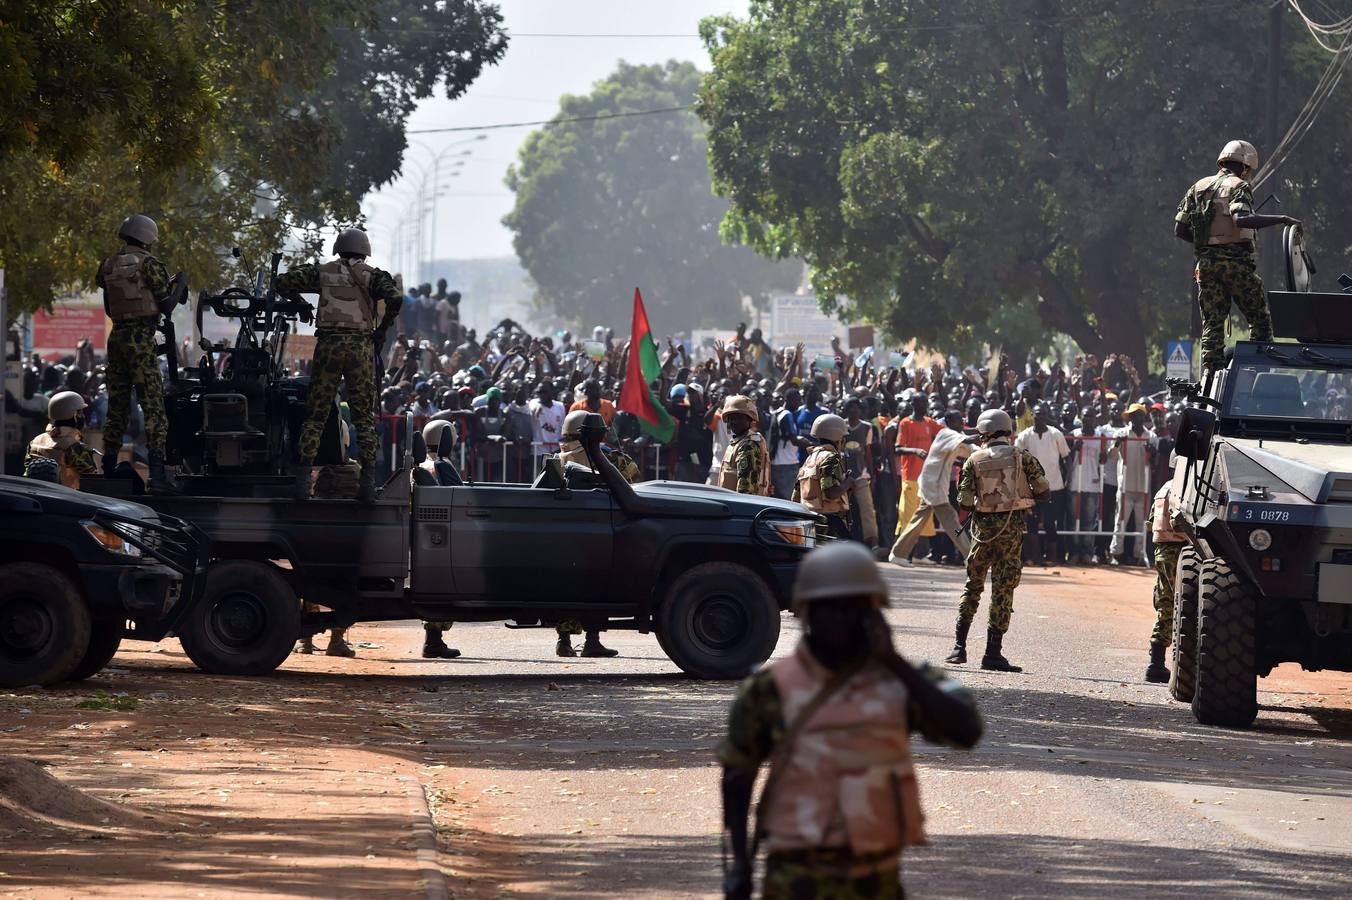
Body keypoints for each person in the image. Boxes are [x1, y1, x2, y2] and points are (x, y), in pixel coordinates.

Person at [718, 542, 983, 900]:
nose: (842, 618)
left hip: (877, 882)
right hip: (795, 881)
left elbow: (966, 730)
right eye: (831, 607)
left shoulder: (901, 683)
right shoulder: (771, 690)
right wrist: (740, 864)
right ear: (807, 612)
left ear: (874, 613)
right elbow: (737, 776)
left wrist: (896, 663)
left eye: (855, 607)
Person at [276, 228, 403, 503]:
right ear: (364, 251)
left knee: (316, 416)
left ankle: (301, 485)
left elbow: (282, 283)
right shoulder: (373, 276)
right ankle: (367, 487)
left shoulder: (323, 272)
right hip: (360, 348)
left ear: (339, 249)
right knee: (363, 417)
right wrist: (381, 330)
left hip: (329, 346)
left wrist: (301, 305)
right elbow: (396, 298)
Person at [1174, 140, 1299, 372]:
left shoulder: (1198, 187)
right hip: (1237, 266)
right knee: (1259, 319)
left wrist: (1208, 243)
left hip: (1206, 267)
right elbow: (1240, 219)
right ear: (1245, 167)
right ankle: (1257, 371)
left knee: (1212, 325)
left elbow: (1179, 230)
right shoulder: (1238, 185)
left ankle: (1210, 376)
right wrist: (1280, 219)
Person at [947, 409, 1049, 673]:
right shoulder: (1022, 457)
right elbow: (1044, 491)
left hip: (982, 532)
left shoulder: (973, 459)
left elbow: (965, 502)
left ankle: (959, 647)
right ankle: (993, 653)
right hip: (1011, 532)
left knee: (973, 586)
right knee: (1003, 589)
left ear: (983, 433)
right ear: (1008, 431)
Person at [96, 214, 177, 493]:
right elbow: (166, 306)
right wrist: (181, 286)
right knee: (154, 407)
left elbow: (109, 306)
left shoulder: (107, 264)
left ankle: (107, 469)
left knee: (116, 408)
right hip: (141, 339)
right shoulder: (150, 265)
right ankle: (158, 476)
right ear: (147, 238)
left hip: (116, 337)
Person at [552, 409, 635, 658]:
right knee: (598, 586)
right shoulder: (604, 456)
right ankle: (592, 640)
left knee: (566, 588)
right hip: (597, 528)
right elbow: (633, 474)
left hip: (564, 531)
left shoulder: (557, 459)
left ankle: (564, 641)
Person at [890, 410, 974, 564]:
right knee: (951, 520)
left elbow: (971, 451)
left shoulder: (954, 439)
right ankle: (970, 558)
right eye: (958, 421)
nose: (961, 423)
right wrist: (987, 432)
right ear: (948, 421)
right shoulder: (946, 434)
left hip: (932, 485)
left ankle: (898, 554)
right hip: (933, 486)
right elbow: (969, 440)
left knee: (919, 520)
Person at [416, 421, 464, 660]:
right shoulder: (441, 465)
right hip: (441, 535)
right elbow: (459, 497)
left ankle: (433, 640)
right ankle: (434, 641)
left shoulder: (423, 463)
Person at [1015, 403, 1070, 566]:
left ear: (1047, 416)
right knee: (1031, 523)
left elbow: (1067, 457)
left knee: (1050, 523)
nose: (1039, 418)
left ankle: (1051, 558)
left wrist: (1069, 477)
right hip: (1032, 488)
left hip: (1054, 486)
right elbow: (1017, 459)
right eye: (1036, 414)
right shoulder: (1024, 436)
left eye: (1042, 414)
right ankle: (1034, 557)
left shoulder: (1056, 434)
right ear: (1033, 416)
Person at [1146, 481, 1188, 683]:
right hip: (1182, 551)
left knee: (1165, 604)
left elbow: (1150, 522)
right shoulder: (1184, 486)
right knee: (1186, 606)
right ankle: (1186, 666)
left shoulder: (1163, 488)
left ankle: (1156, 663)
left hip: (1162, 551)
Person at [894, 392, 943, 561]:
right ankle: (902, 554)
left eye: (925, 402)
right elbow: (898, 448)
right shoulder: (905, 423)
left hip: (926, 478)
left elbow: (947, 432)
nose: (924, 405)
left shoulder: (930, 423)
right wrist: (914, 450)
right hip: (910, 477)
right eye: (920, 403)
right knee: (907, 516)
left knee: (923, 518)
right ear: (914, 405)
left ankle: (915, 554)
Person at [1109, 403, 1156, 566]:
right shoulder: (1121, 433)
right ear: (1129, 417)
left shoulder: (1150, 436)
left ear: (1144, 417)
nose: (1137, 418)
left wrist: (1153, 452)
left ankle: (1139, 554)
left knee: (1141, 523)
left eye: (1140, 415)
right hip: (1125, 486)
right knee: (1120, 521)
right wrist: (1117, 444)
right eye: (1134, 415)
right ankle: (1116, 553)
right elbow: (1111, 456)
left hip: (1143, 486)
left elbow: (1155, 462)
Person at [793, 414, 852, 540]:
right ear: (838, 437)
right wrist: (848, 483)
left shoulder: (810, 458)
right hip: (829, 525)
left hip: (810, 520)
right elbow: (831, 493)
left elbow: (796, 494)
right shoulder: (831, 457)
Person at [24, 391, 99, 489]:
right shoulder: (74, 447)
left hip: (39, 496)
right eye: (80, 413)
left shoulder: (35, 441)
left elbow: (27, 472)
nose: (83, 417)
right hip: (69, 500)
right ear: (72, 415)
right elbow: (93, 480)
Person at [841, 399, 879, 549]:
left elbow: (867, 452)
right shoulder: (841, 425)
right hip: (843, 474)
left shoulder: (867, 427)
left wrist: (871, 473)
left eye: (857, 408)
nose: (854, 411)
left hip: (861, 473)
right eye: (851, 408)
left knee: (867, 509)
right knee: (842, 508)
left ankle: (872, 542)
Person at [718, 395, 771, 496]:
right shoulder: (737, 443)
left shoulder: (748, 445)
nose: (734, 421)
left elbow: (746, 490)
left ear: (749, 419)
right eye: (731, 418)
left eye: (739, 417)